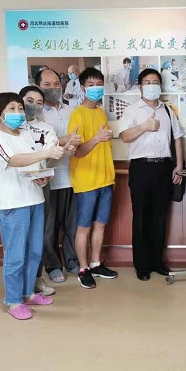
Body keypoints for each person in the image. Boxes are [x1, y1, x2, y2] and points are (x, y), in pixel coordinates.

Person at [0, 92, 64, 320]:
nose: (18, 113)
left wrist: (42, 177)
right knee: (16, 254)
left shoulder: (26, 133)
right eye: (12, 109)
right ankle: (13, 301)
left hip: (35, 199)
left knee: (34, 251)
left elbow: (34, 163)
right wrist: (47, 152)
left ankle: (28, 293)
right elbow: (13, 160)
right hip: (12, 203)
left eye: (20, 108)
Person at [120, 68, 184, 281]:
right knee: (141, 216)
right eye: (147, 82)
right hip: (141, 168)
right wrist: (145, 127)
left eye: (155, 82)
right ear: (140, 87)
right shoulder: (132, 110)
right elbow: (125, 137)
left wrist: (179, 165)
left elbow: (177, 138)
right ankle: (142, 265)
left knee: (160, 216)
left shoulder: (167, 110)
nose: (152, 86)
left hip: (164, 167)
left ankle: (157, 261)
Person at [69, 67, 118, 289]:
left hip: (106, 179)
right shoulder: (77, 115)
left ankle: (96, 264)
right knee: (84, 227)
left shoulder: (100, 112)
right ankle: (83, 268)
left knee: (100, 225)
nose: (96, 88)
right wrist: (97, 138)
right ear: (82, 88)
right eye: (91, 85)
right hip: (86, 181)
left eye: (99, 85)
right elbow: (77, 152)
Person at [36, 69, 81, 283]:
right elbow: (39, 144)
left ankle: (72, 261)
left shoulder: (72, 110)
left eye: (56, 84)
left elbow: (79, 139)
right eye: (47, 85)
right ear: (38, 87)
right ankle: (53, 266)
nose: (53, 88)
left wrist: (74, 143)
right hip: (48, 179)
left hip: (72, 177)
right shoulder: (36, 115)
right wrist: (64, 140)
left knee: (72, 226)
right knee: (49, 228)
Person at [20, 86, 60, 297]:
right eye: (29, 101)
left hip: (40, 188)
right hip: (16, 191)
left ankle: (36, 279)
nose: (34, 106)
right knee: (20, 239)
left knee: (39, 236)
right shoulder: (9, 129)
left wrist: (44, 174)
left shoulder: (46, 129)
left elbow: (50, 155)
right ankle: (19, 285)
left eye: (39, 103)